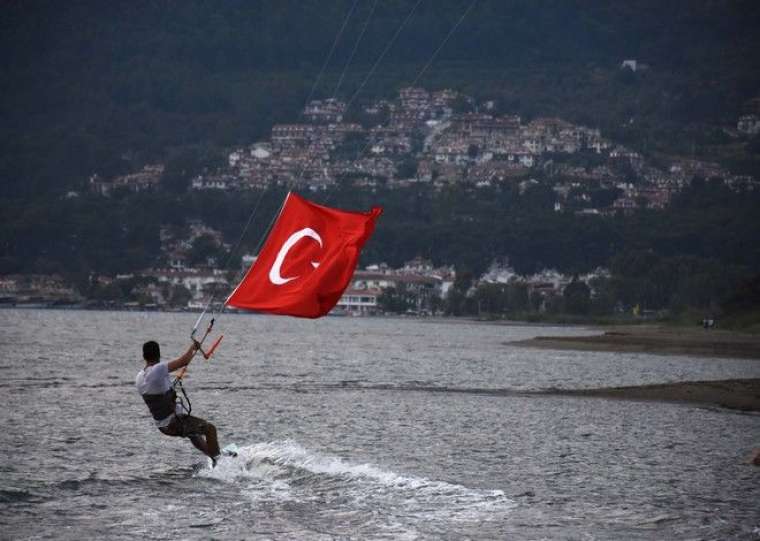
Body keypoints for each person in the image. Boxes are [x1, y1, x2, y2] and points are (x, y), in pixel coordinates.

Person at [136, 339, 222, 464]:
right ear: (158, 355)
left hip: (162, 426)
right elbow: (184, 361)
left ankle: (212, 455)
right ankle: (220, 463)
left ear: (144, 356)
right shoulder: (157, 369)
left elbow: (158, 394)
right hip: (174, 423)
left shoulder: (139, 377)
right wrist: (193, 347)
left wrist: (169, 390)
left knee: (193, 433)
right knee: (210, 429)